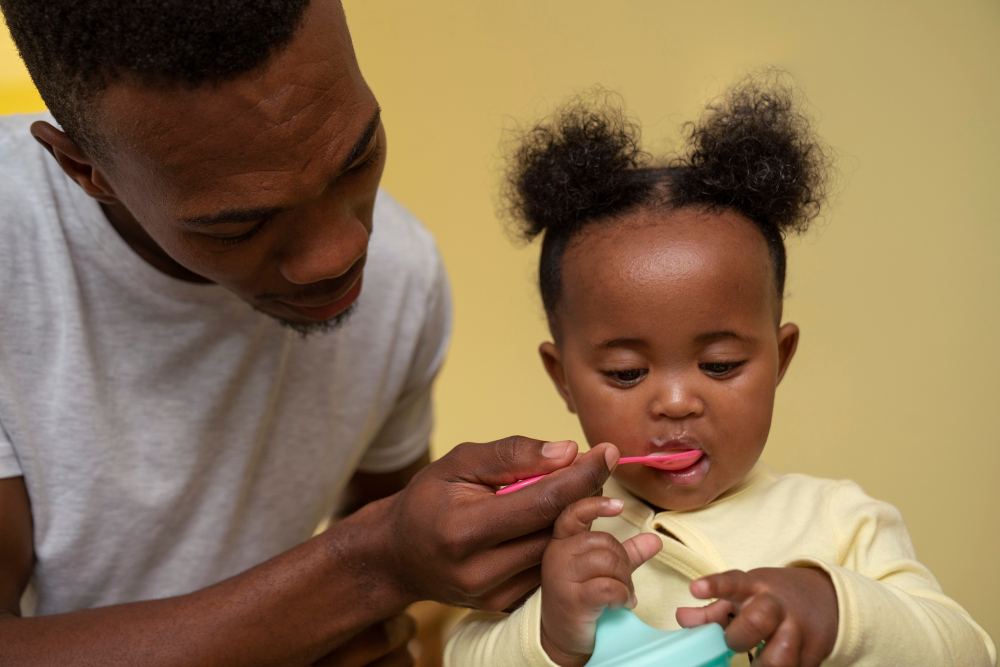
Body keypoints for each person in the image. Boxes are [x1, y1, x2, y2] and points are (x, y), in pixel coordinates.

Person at [0, 1, 620, 664]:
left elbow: (398, 591)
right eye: (239, 226)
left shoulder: (403, 274)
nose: (340, 252)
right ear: (86, 171)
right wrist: (368, 568)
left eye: (357, 161)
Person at [445, 76, 998, 667]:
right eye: (627, 372)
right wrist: (552, 632)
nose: (678, 401)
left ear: (780, 359)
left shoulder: (838, 521)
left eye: (720, 365)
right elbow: (458, 655)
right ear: (563, 379)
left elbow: (969, 650)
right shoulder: (553, 533)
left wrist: (835, 610)